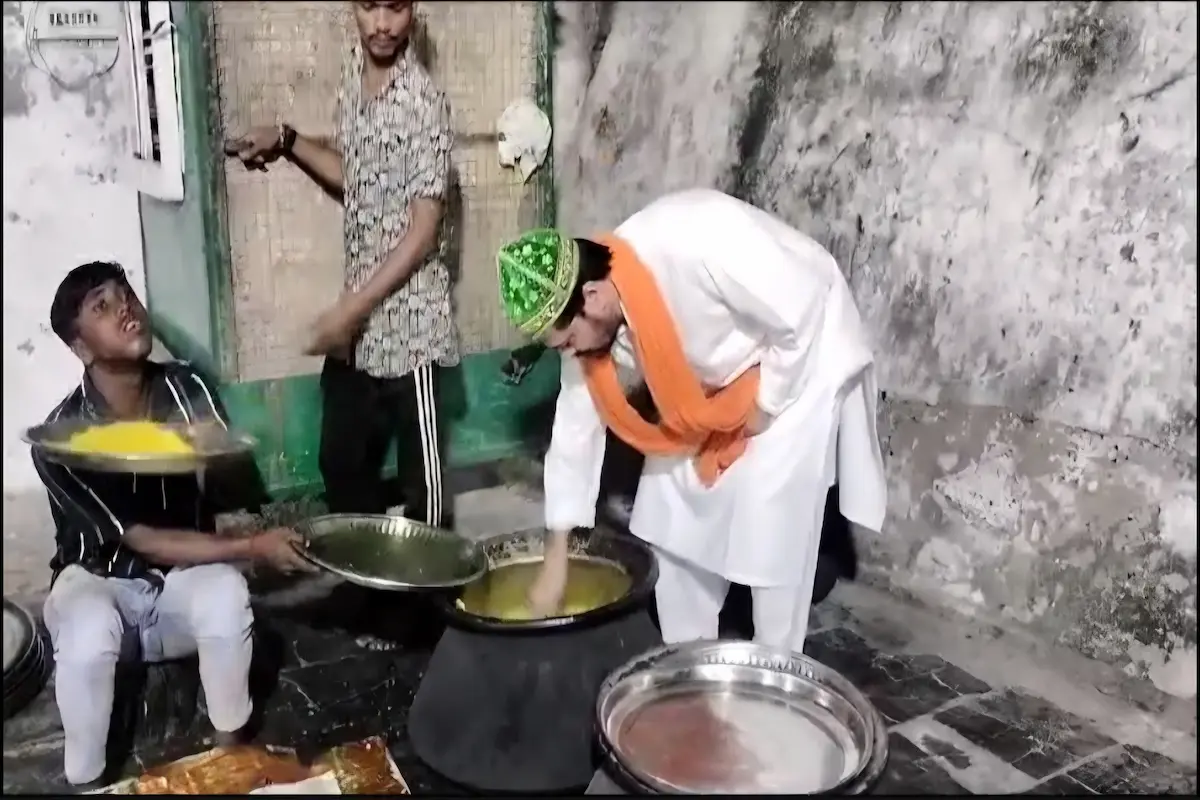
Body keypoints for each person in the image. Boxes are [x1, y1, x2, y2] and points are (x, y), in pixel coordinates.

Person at [494, 189, 888, 653]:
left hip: (801, 349)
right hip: (715, 383)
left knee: (770, 521)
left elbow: (799, 311)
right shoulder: (591, 324)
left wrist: (763, 408)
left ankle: (776, 668)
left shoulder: (697, 240)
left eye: (567, 342)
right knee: (669, 513)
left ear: (592, 296)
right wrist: (555, 560)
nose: (571, 353)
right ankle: (688, 660)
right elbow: (574, 433)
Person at [34, 261, 316, 789]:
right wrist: (256, 545)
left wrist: (225, 449)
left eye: (126, 296)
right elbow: (142, 540)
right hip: (99, 582)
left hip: (177, 590)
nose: (126, 309)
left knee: (228, 594)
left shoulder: (185, 389)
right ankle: (88, 782)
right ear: (82, 347)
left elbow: (232, 484)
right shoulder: (60, 440)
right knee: (91, 631)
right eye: (102, 306)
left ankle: (230, 755)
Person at [225, 0, 457, 527]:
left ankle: (431, 602)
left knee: (426, 490)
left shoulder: (423, 102)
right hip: (358, 328)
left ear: (412, 10)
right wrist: (286, 141)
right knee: (342, 462)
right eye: (368, 7)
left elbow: (424, 231)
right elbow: (359, 177)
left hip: (410, 327)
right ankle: (373, 587)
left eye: (394, 8)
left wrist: (350, 308)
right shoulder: (354, 79)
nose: (381, 24)